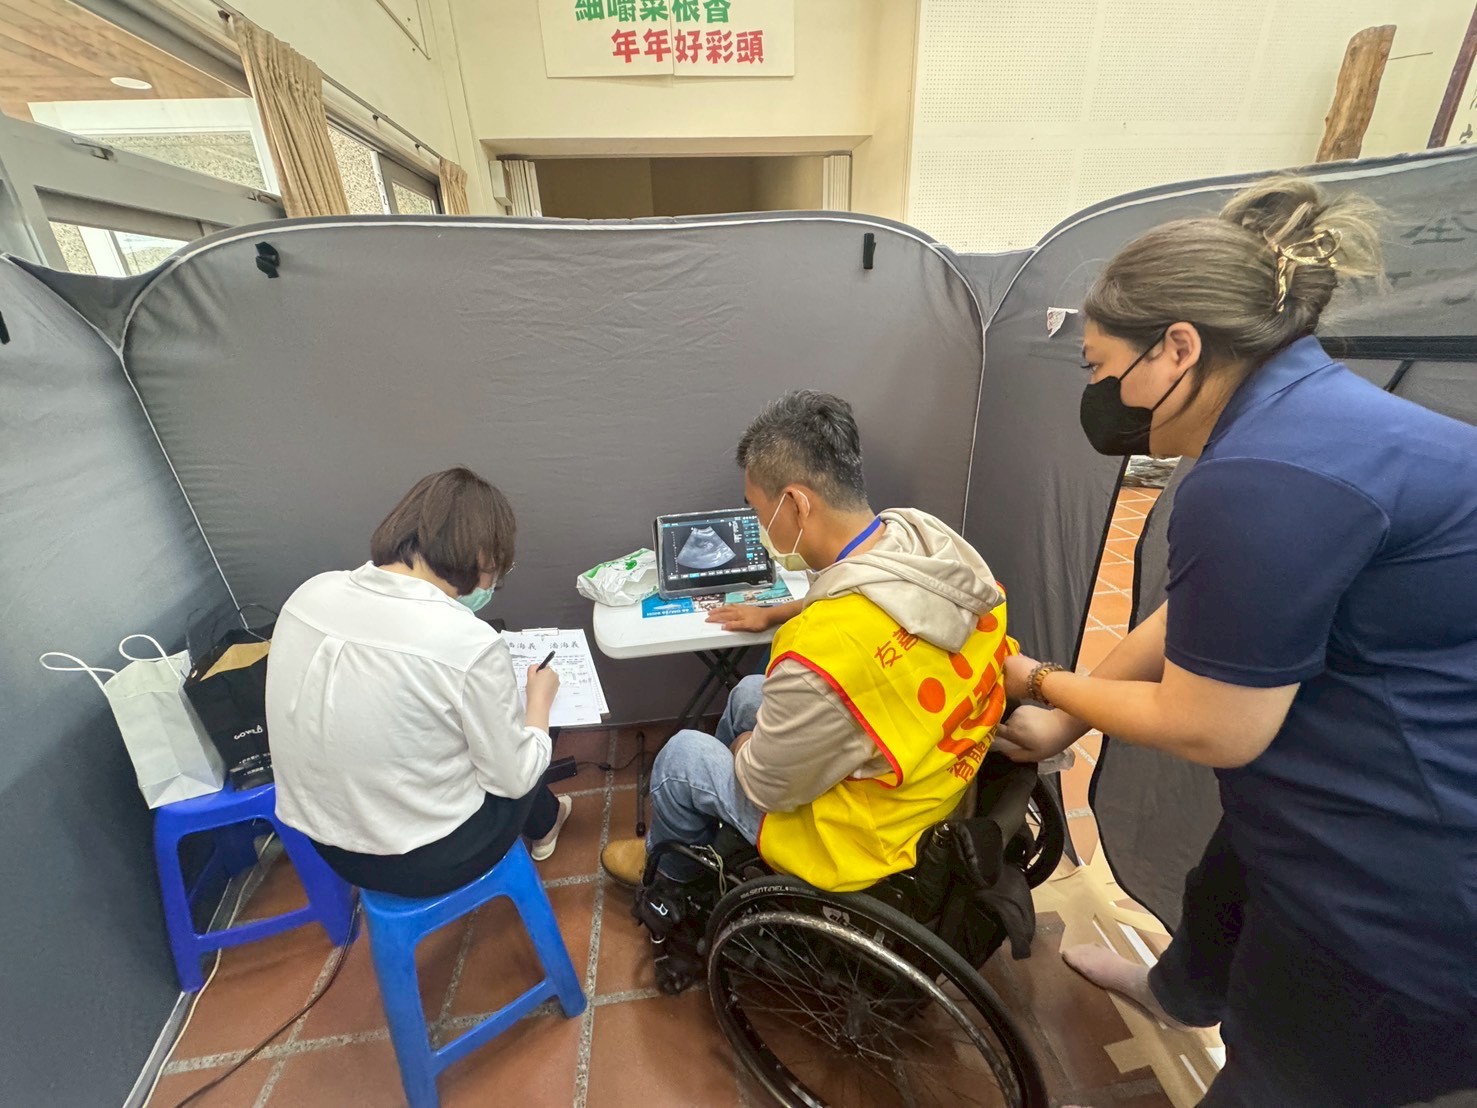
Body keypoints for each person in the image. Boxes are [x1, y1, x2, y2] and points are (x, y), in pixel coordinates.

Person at [995, 178, 1477, 1106]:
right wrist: (1066, 720)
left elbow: (1212, 725)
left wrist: (1042, 682)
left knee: (1286, 1073)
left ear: (1178, 346)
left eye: (1100, 367)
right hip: (1360, 768)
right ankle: (1181, 991)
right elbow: (1197, 613)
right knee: (1230, 873)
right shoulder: (1311, 412)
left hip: (1406, 882)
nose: (1096, 394)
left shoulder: (1262, 473)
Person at [600, 389, 1016, 898]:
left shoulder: (818, 650)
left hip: (861, 839)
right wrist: (776, 611)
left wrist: (744, 749)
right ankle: (723, 838)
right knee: (747, 692)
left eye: (757, 512)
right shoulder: (934, 548)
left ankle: (673, 879)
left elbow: (765, 785)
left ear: (797, 504)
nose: (758, 527)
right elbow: (871, 593)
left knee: (684, 757)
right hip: (932, 782)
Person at [266, 467, 573, 898]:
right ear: (483, 555)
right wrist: (539, 701)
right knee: (529, 738)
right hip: (427, 859)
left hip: (326, 843)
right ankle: (547, 820)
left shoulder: (309, 594)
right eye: (500, 569)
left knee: (476, 734)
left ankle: (548, 818)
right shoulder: (467, 641)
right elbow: (514, 778)